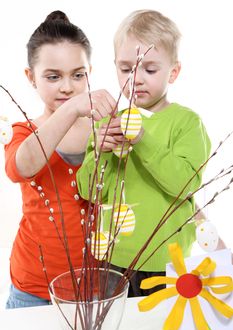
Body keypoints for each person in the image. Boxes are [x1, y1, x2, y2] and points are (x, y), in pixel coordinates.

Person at [76, 9, 212, 296]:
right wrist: (99, 154)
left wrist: (142, 138)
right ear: (114, 67)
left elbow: (184, 185)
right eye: (126, 69)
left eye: (149, 69)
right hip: (112, 258)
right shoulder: (105, 124)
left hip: (168, 259)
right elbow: (89, 192)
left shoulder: (186, 123)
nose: (135, 78)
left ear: (173, 72)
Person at [4, 10, 116, 308]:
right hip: (34, 289)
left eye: (78, 75)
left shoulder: (102, 129)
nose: (67, 87)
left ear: (89, 72)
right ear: (31, 77)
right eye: (53, 77)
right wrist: (73, 109)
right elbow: (20, 167)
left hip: (97, 284)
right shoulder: (23, 131)